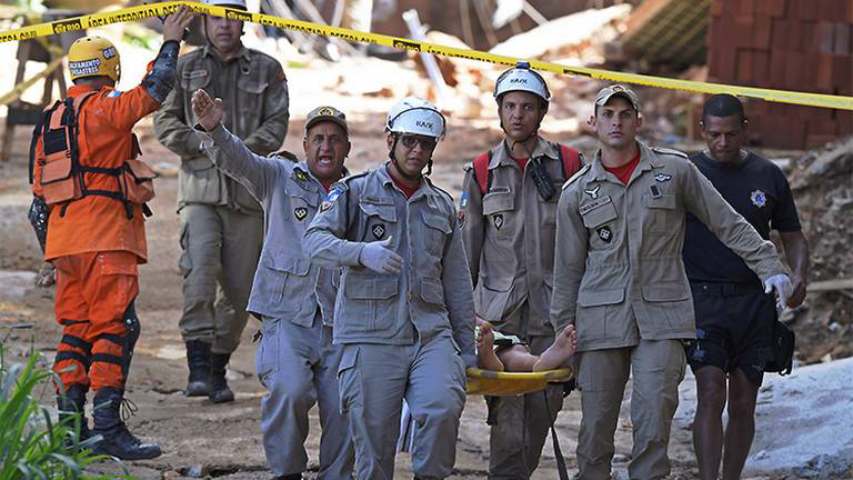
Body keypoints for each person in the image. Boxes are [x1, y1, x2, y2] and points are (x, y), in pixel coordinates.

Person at [550, 84, 794, 480]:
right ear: (593, 123)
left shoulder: (675, 171)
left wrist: (770, 266)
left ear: (638, 122)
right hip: (599, 321)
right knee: (595, 431)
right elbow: (566, 270)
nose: (616, 122)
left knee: (653, 422)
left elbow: (726, 222)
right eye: (608, 115)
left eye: (625, 114)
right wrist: (561, 336)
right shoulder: (576, 193)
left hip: (662, 317)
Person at [29, 8, 195, 460]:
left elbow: (37, 201)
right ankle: (106, 427)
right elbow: (155, 90)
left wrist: (51, 256)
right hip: (106, 240)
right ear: (109, 70)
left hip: (67, 247)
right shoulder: (105, 110)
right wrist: (171, 40)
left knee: (76, 331)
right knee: (114, 328)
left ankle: (69, 428)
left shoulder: (49, 121)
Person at [304, 97, 475, 480]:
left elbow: (458, 283)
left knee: (441, 408)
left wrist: (466, 351)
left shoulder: (440, 206)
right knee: (375, 449)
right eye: (409, 141)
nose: (417, 151)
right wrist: (360, 253)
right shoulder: (353, 192)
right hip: (370, 336)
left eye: (425, 144)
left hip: (430, 333)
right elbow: (313, 242)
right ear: (390, 141)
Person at [191, 91, 354, 479]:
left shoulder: (360, 192)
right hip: (286, 316)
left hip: (341, 322)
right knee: (290, 390)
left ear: (347, 147)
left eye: (334, 139)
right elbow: (239, 162)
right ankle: (287, 473)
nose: (326, 147)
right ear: (305, 145)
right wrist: (215, 128)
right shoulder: (280, 177)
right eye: (318, 139)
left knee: (347, 403)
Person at [154, 0, 290, 403]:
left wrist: (238, 153)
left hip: (248, 195)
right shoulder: (185, 67)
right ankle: (197, 368)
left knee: (240, 291)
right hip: (200, 192)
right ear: (205, 23)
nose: (225, 26)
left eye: (232, 18)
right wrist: (210, 142)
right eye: (216, 18)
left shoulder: (268, 69)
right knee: (199, 274)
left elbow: (277, 124)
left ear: (244, 24)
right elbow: (165, 122)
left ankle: (217, 368)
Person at [460, 61, 583, 479]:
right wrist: (467, 319)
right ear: (498, 111)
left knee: (542, 413)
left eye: (527, 106)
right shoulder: (480, 172)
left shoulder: (569, 165)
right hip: (501, 321)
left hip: (554, 317)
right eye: (509, 105)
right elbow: (466, 256)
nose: (517, 114)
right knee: (508, 426)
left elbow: (586, 246)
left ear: (542, 112)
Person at [684, 94, 810, 480]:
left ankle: (731, 476)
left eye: (731, 134)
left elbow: (792, 234)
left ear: (745, 131)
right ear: (702, 130)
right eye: (715, 135)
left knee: (743, 401)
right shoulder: (685, 172)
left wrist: (800, 274)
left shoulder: (768, 176)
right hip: (701, 297)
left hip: (754, 301)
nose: (722, 143)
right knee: (710, 392)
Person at [476, 319, 577, 373]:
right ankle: (488, 357)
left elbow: (470, 314)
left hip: (490, 337)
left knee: (515, 351)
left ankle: (539, 362)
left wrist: (483, 324)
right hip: (474, 340)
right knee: (510, 355)